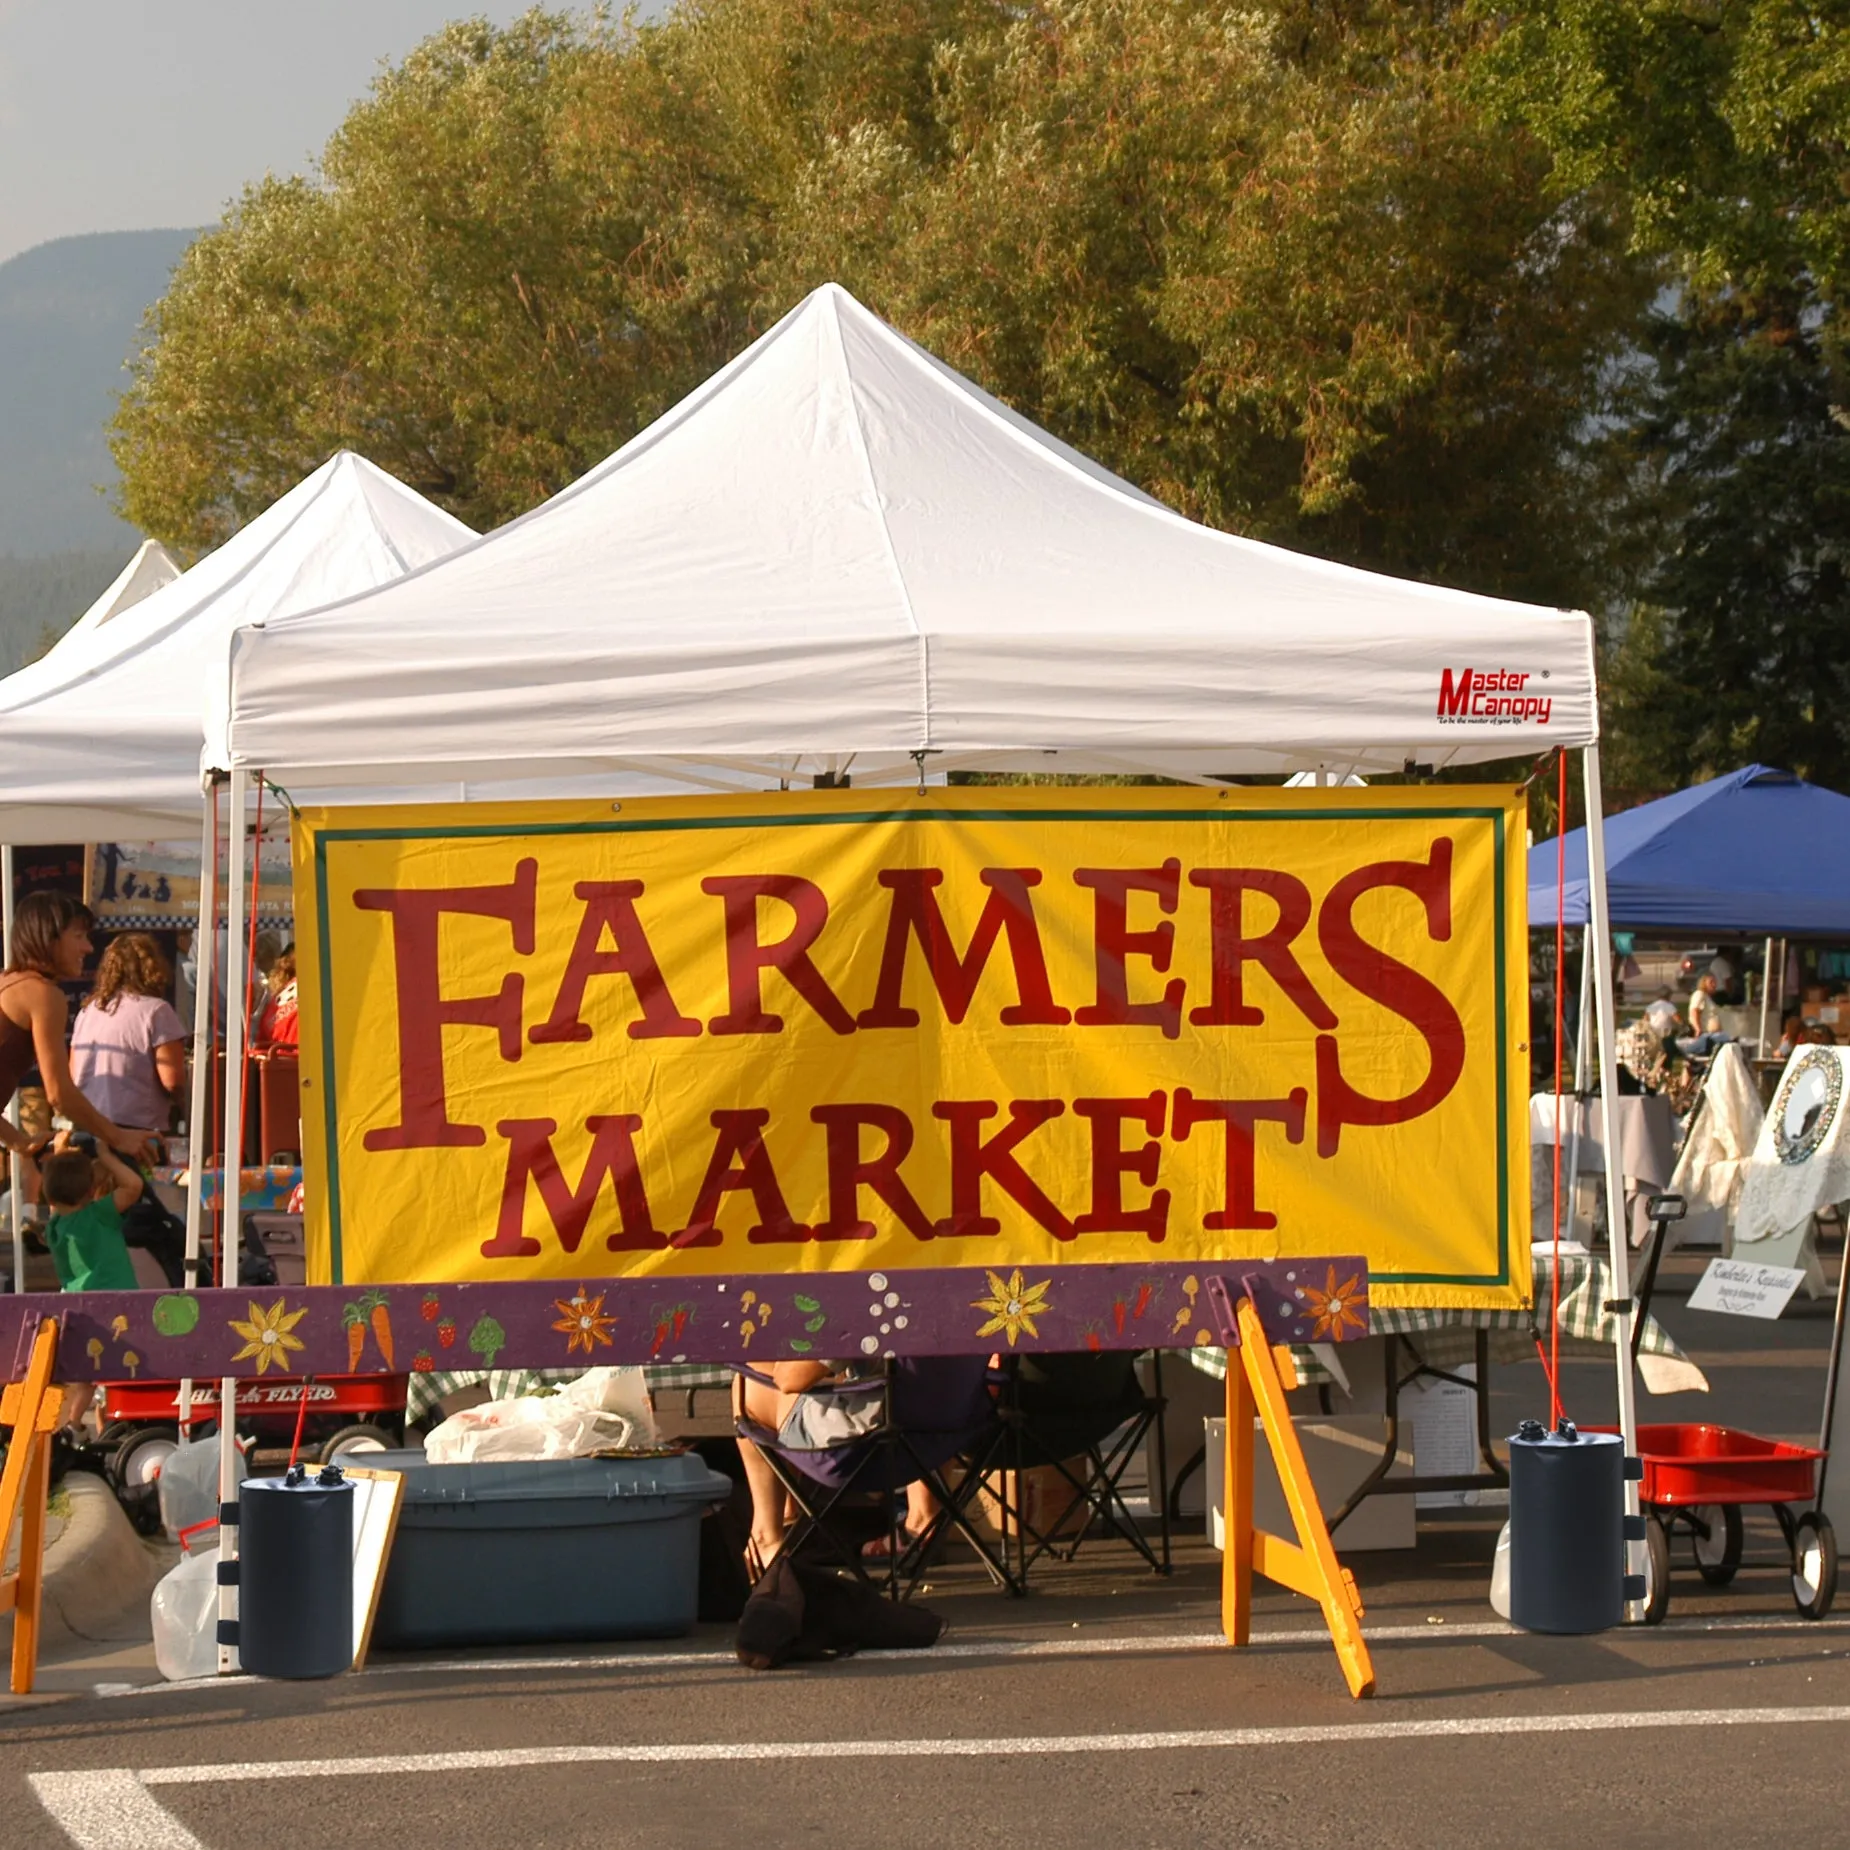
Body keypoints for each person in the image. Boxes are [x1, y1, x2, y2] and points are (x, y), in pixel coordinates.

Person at [0, 893, 154, 1163]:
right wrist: (119, 1137)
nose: (88, 948)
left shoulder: (8, 982)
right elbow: (59, 1094)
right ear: (49, 938)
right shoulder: (43, 994)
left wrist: (19, 1142)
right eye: (79, 936)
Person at [71, 933, 188, 1142]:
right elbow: (173, 1080)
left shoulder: (86, 1012)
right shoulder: (156, 1011)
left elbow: (74, 1074)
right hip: (139, 1133)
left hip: (88, 1128)